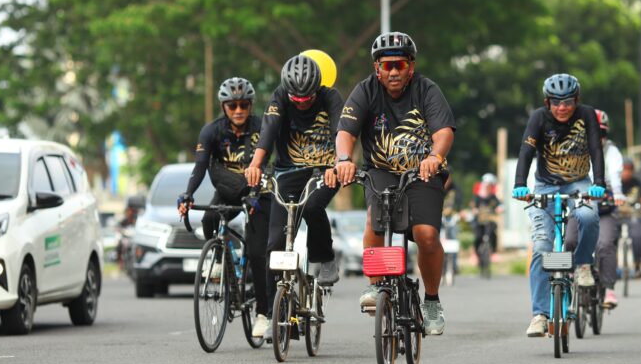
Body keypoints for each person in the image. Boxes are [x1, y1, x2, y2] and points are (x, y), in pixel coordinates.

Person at [332, 31, 456, 336]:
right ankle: (376, 286)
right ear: (377, 68)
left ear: (410, 66)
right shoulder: (365, 91)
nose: (394, 72)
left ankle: (431, 301)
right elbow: (345, 132)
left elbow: (444, 132)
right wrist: (344, 159)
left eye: (400, 65)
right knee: (375, 224)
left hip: (423, 172)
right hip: (381, 171)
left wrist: (434, 157)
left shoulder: (427, 90)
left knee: (426, 235)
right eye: (387, 66)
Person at [512, 73, 606, 338]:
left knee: (588, 216)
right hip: (545, 185)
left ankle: (583, 265)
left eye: (568, 102)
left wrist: (598, 182)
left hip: (579, 183)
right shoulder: (538, 118)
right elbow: (526, 152)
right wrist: (521, 184)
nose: (562, 108)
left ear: (577, 101)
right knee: (542, 246)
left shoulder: (587, 115)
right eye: (556, 102)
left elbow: (596, 150)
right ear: (547, 102)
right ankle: (540, 315)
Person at [177, 77, 272, 338]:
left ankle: (264, 313)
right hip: (229, 190)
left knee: (256, 252)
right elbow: (199, 168)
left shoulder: (262, 127)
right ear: (224, 107)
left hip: (259, 191)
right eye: (232, 106)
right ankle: (221, 256)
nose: (238, 110)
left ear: (251, 105)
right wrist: (187, 194)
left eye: (243, 105)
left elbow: (269, 163)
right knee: (209, 219)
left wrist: (255, 195)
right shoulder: (212, 131)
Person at [244, 54, 342, 294]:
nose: (300, 104)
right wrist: (256, 165)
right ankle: (270, 315)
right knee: (274, 245)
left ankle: (325, 257)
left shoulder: (331, 97)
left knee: (311, 207)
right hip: (288, 173)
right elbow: (268, 132)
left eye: (307, 99)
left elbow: (342, 134)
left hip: (324, 171)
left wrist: (339, 165)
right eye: (295, 99)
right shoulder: (280, 96)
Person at [564, 109, 624, 308]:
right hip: (580, 206)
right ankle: (572, 276)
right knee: (570, 240)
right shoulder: (572, 150)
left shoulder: (612, 152)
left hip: (605, 209)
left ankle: (608, 290)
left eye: (600, 134)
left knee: (605, 244)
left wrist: (617, 194)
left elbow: (615, 175)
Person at [618, 158, 641, 278]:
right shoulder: (615, 183)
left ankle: (637, 266)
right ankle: (610, 266)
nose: (626, 172)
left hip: (633, 214)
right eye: (624, 169)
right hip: (617, 215)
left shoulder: (638, 183)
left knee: (638, 237)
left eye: (629, 169)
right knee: (610, 238)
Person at [473, 173, 502, 277]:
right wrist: (475, 210)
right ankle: (476, 254)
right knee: (477, 237)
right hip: (479, 221)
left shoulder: (493, 197)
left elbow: (500, 204)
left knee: (493, 233)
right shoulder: (478, 197)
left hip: (489, 221)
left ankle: (493, 252)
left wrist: (500, 208)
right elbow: (473, 206)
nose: (487, 187)